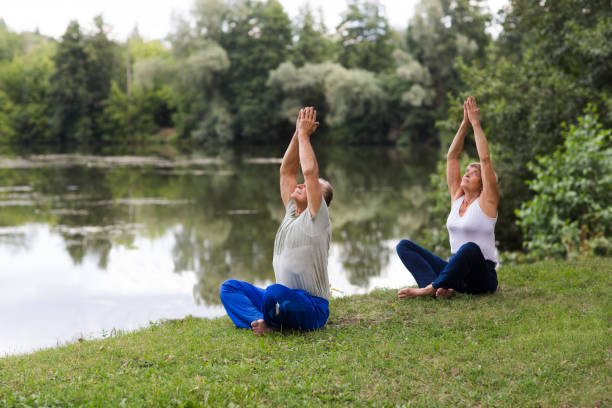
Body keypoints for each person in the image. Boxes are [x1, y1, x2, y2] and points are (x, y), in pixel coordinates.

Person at [219, 107, 334, 335]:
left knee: (274, 293)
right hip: (283, 299)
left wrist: (304, 136)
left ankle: (272, 322)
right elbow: (287, 171)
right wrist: (297, 131)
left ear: (318, 199)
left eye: (310, 188)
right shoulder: (292, 212)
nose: (301, 185)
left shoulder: (317, 222)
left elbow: (309, 172)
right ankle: (261, 321)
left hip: (312, 307)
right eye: (302, 185)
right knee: (229, 288)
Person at [396, 96, 499, 299]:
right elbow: (452, 157)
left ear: (483, 183)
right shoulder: (457, 198)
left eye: (474, 173)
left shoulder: (487, 201)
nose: (467, 174)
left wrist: (476, 123)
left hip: (482, 277)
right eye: (467, 171)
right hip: (457, 272)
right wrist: (464, 124)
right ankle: (444, 287)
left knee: (470, 248)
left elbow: (485, 160)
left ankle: (429, 289)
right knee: (404, 246)